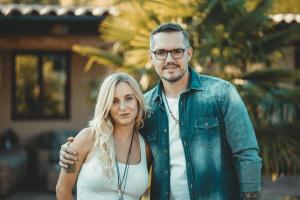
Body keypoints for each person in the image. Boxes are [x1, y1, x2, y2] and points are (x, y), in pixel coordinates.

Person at [59, 23, 262, 200]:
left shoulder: (221, 94)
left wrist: (250, 195)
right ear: (151, 56)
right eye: (161, 52)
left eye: (177, 51)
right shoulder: (143, 106)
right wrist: (70, 151)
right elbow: (113, 134)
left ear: (189, 53)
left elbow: (246, 153)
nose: (169, 59)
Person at [56, 73, 151, 200]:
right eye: (114, 101)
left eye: (129, 98)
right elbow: (62, 190)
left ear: (138, 101)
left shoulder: (146, 148)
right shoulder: (88, 138)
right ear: (107, 105)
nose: (123, 107)